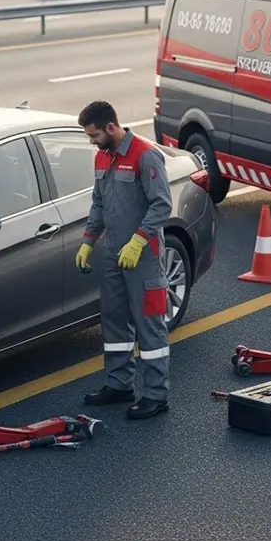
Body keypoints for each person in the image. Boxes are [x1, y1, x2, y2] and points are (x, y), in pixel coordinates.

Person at [74, 100, 173, 420]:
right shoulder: (102, 157)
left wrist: (138, 241)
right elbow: (98, 203)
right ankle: (119, 385)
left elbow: (161, 205)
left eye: (94, 135)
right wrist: (88, 242)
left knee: (149, 324)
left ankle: (156, 395)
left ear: (111, 128)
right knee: (114, 320)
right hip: (113, 252)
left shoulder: (145, 155)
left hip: (142, 255)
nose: (92, 141)